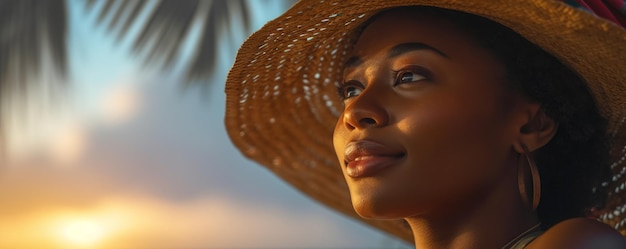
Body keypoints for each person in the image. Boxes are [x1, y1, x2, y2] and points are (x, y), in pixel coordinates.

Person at [224, 0, 626, 248]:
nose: (355, 111)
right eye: (350, 88)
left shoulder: (581, 244)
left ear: (533, 124)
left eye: (409, 76)